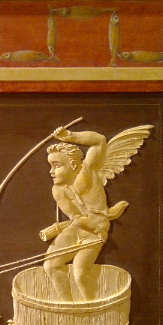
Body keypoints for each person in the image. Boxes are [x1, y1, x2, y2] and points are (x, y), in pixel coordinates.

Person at [43, 128, 112, 301]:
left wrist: (71, 137)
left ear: (73, 165)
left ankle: (91, 307)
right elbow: (76, 217)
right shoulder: (58, 190)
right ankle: (68, 306)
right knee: (51, 265)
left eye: (57, 166)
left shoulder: (87, 171)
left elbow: (99, 141)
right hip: (80, 227)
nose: (51, 171)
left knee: (79, 272)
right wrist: (93, 229)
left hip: (97, 229)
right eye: (51, 166)